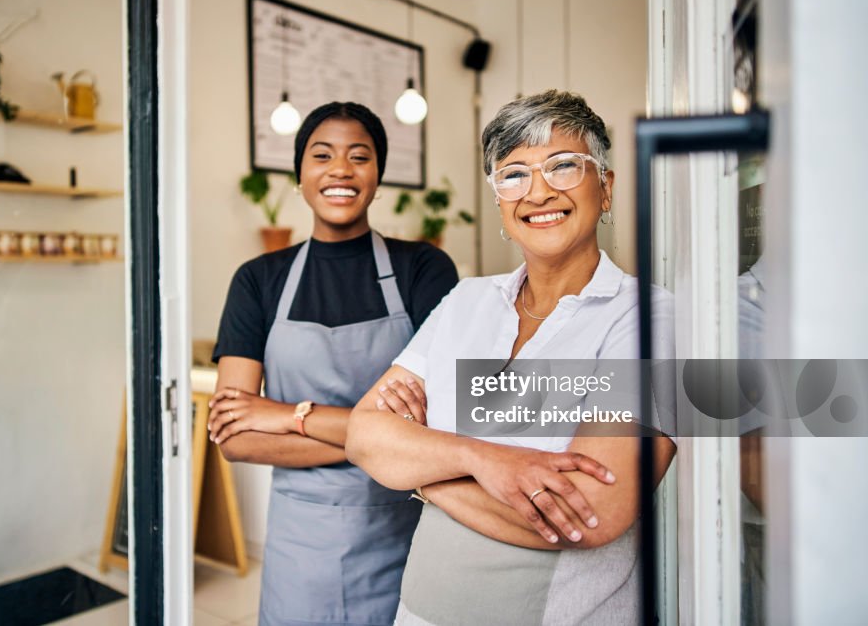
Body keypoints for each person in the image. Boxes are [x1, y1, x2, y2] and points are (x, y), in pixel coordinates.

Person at [347, 90, 677, 625]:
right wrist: (486, 460)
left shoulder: (649, 318)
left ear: (607, 187)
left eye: (564, 167)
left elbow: (590, 512)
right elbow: (364, 435)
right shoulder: (466, 301)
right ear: (500, 200)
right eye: (514, 174)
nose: (539, 192)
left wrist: (421, 470)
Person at [208, 102, 459, 626]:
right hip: (301, 547)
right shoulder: (258, 280)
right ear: (300, 175)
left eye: (359, 156)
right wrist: (384, 440)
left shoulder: (424, 269)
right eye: (322, 155)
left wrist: (285, 415)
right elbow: (235, 437)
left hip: (406, 530)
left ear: (378, 176)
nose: (340, 169)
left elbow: (437, 423)